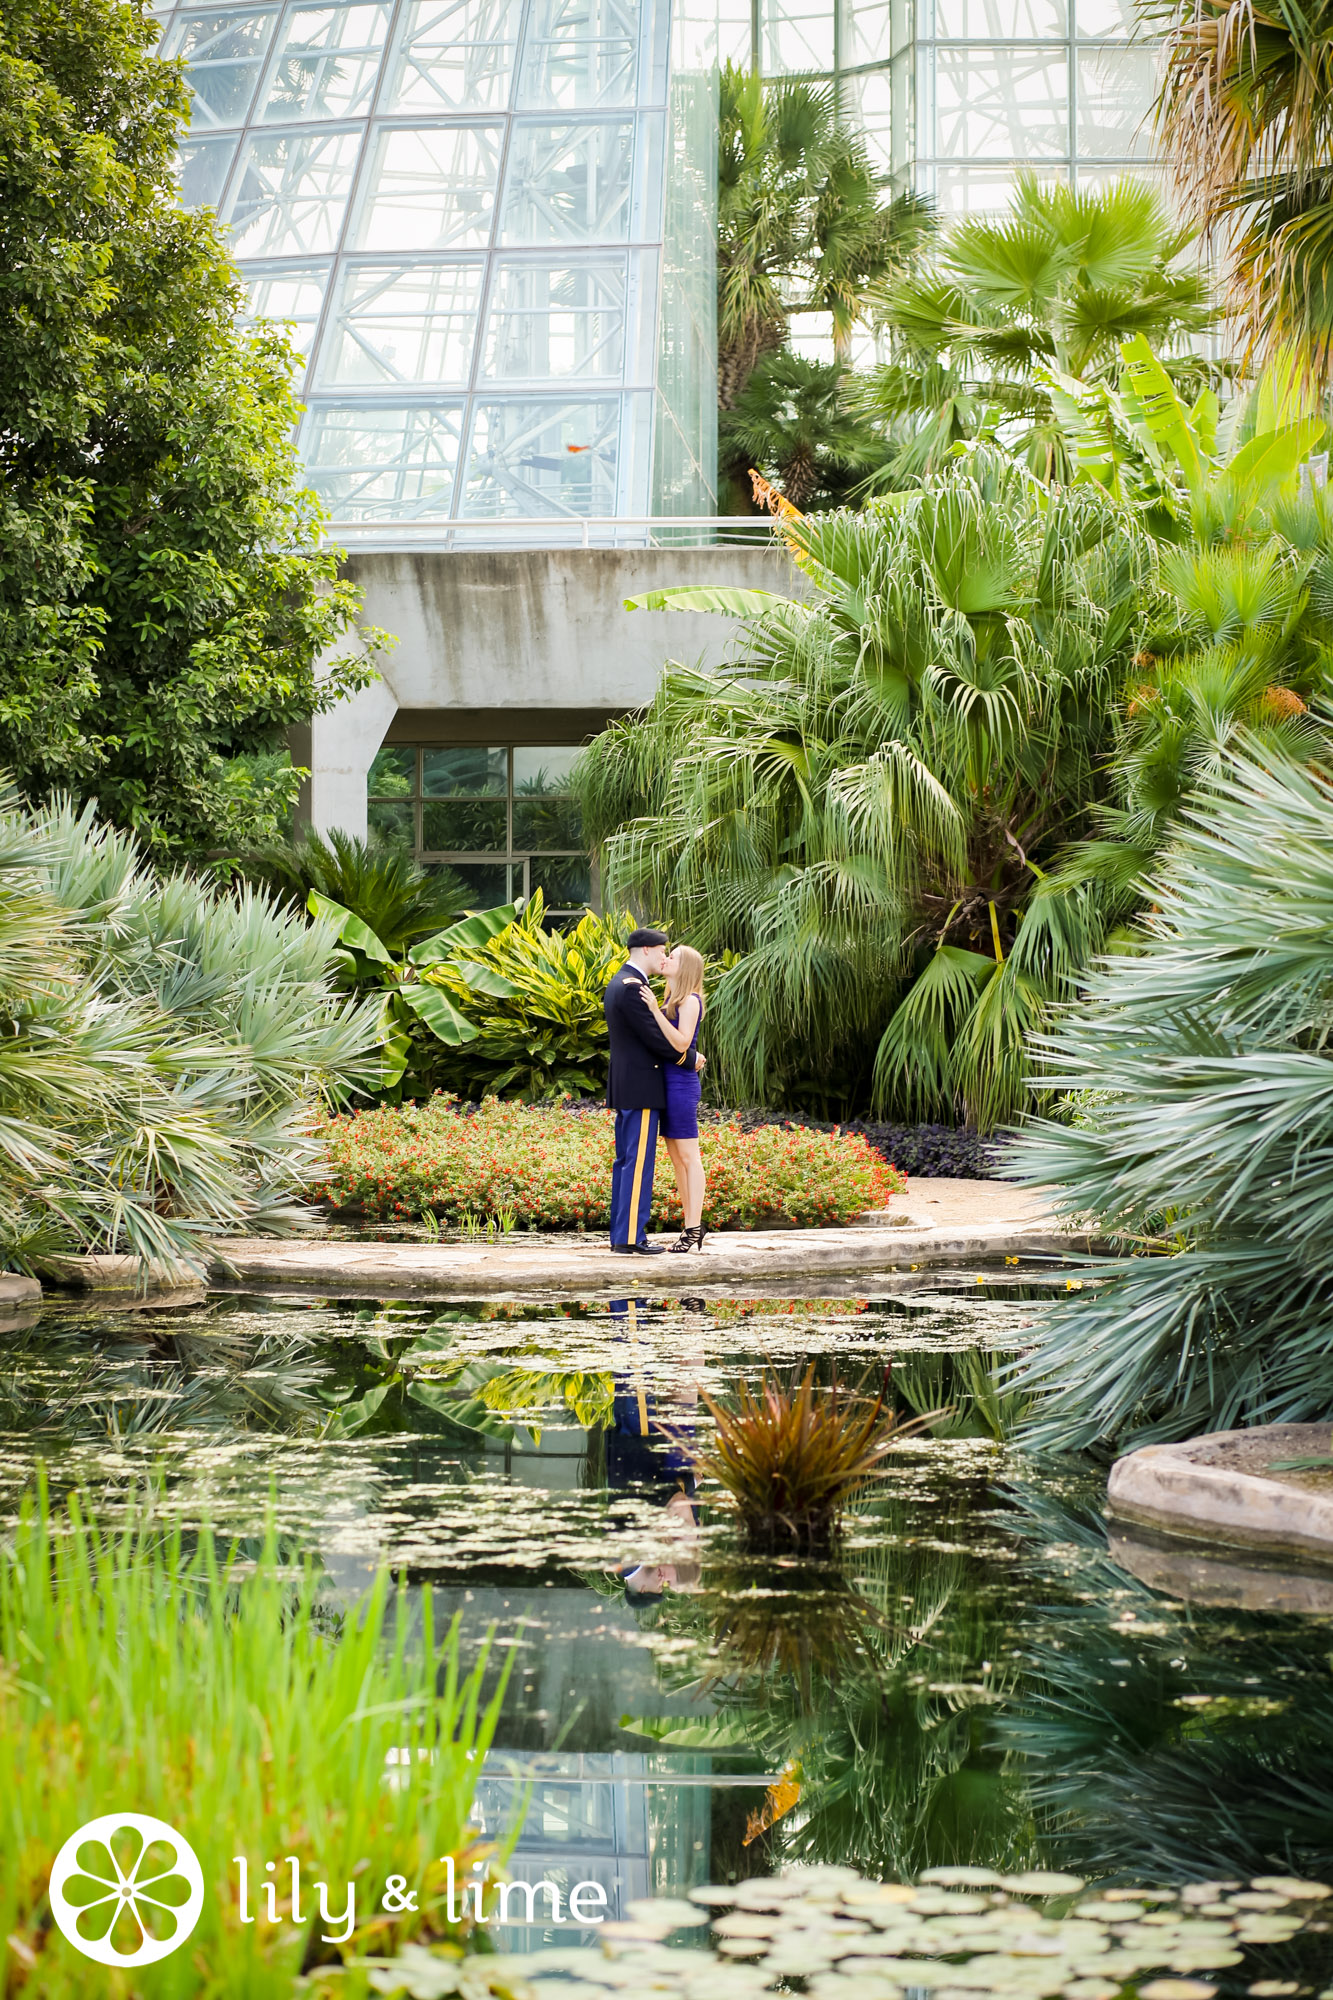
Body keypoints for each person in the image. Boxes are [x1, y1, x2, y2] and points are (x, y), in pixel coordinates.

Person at [604, 926, 704, 1255]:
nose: (665, 956)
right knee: (636, 1164)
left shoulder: (627, 983)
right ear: (646, 950)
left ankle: (626, 1235)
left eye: (670, 954)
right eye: (663, 951)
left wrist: (686, 1056)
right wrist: (691, 1059)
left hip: (644, 1087)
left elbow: (664, 1036)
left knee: (630, 1162)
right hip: (643, 1088)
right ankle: (631, 1238)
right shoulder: (634, 988)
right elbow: (657, 1040)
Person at [637, 945, 707, 1253]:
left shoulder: (690, 1001)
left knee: (690, 1158)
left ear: (686, 967)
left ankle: (694, 1226)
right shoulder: (671, 999)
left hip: (681, 1086)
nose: (667, 959)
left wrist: (654, 1011)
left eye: (673, 956)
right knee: (677, 1159)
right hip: (667, 1085)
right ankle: (690, 1225)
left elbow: (680, 1043)